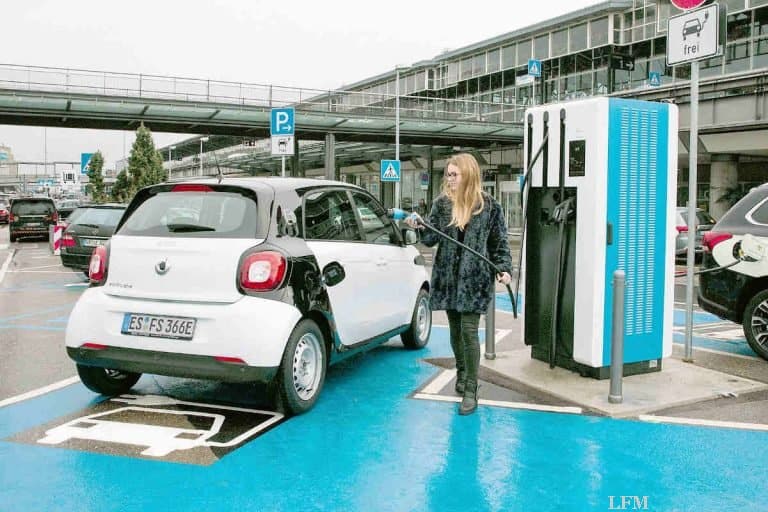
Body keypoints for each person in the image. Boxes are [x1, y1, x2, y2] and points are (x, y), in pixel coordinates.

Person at [406, 153, 512, 416]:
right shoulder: (442, 205)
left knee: (468, 331)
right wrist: (418, 226)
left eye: (455, 174)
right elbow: (430, 239)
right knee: (455, 332)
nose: (450, 179)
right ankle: (462, 372)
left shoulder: (490, 207)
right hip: (448, 277)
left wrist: (504, 268)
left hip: (475, 280)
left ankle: (471, 389)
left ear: (468, 175)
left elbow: (499, 243)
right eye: (448, 175)